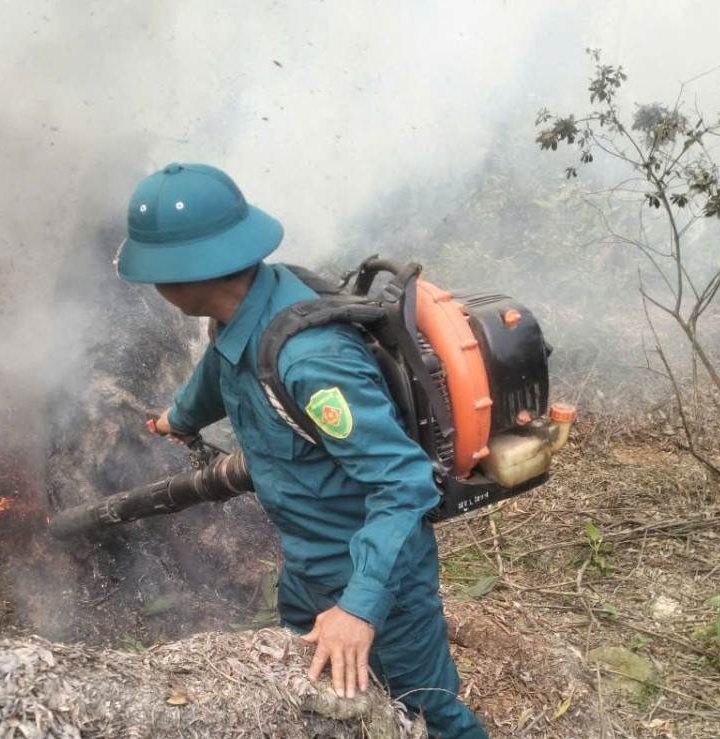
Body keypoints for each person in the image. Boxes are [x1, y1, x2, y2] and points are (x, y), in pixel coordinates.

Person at [115, 162, 489, 739]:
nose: (155, 288)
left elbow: (404, 482)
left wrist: (361, 609)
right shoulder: (241, 308)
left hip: (380, 576)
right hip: (309, 565)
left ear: (189, 275)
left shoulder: (311, 362)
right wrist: (178, 418)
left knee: (429, 714)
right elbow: (221, 369)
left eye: (157, 274)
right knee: (316, 702)